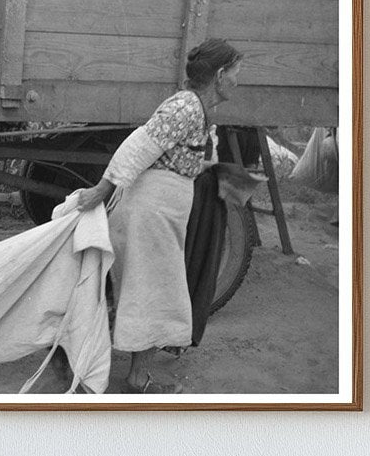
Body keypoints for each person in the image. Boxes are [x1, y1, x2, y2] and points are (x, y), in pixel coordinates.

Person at [75, 38, 244, 393]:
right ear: (221, 74)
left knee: (148, 293)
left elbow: (184, 155)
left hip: (159, 212)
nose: (238, 81)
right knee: (154, 294)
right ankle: (135, 378)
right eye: (236, 72)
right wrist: (100, 192)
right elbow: (138, 146)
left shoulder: (195, 108)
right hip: (150, 214)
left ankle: (95, 363)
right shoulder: (186, 107)